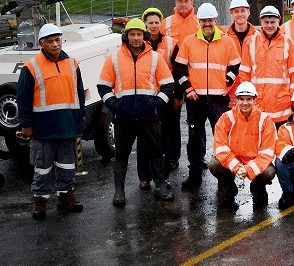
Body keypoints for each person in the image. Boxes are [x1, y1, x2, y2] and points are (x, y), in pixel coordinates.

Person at [97, 19, 176, 207]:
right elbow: (103, 85)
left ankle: (159, 187)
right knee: (121, 154)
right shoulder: (114, 58)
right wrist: (114, 105)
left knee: (156, 152)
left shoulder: (155, 58)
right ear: (126, 36)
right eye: (132, 34)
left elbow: (168, 84)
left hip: (149, 116)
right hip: (123, 117)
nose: (135, 38)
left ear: (145, 36)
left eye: (139, 34)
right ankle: (119, 192)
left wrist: (156, 104)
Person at [16, 24, 86, 220]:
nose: (55, 44)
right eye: (50, 41)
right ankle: (40, 202)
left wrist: (81, 112)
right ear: (42, 44)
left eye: (58, 40)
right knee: (42, 167)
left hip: (67, 125)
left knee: (67, 165)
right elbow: (23, 98)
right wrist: (26, 124)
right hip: (43, 127)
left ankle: (66, 198)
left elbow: (79, 91)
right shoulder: (31, 67)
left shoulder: (72, 63)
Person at [173, 3, 241, 192]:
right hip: (196, 100)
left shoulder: (227, 41)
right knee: (195, 140)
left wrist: (227, 82)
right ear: (199, 21)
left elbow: (236, 66)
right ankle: (194, 178)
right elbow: (179, 68)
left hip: (219, 99)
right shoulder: (189, 41)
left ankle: (225, 181)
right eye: (203, 20)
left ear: (215, 20)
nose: (207, 24)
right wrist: (188, 89)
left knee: (222, 140)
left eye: (210, 20)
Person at [209, 82, 277, 209]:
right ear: (236, 100)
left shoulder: (265, 120)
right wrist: (237, 167)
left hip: (255, 161)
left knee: (268, 172)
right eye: (241, 99)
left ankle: (258, 189)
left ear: (254, 100)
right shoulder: (226, 118)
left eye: (249, 99)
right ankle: (228, 189)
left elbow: (267, 153)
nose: (245, 103)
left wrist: (248, 169)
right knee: (214, 164)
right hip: (234, 160)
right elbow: (220, 148)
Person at [137, 7, 180, 190]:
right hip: (145, 98)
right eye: (150, 23)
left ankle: (163, 176)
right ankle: (144, 177)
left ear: (161, 23)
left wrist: (178, 96)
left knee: (166, 137)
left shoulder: (171, 43)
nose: (154, 26)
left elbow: (178, 72)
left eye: (156, 22)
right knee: (143, 138)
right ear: (145, 24)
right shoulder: (138, 43)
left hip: (166, 97)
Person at [239, 5, 294, 126]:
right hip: (258, 104)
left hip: (282, 105)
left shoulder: (288, 43)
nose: (269, 25)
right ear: (261, 22)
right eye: (266, 22)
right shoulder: (250, 42)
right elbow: (244, 74)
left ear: (279, 21)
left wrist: (291, 96)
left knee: (281, 142)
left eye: (272, 22)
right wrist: (248, 97)